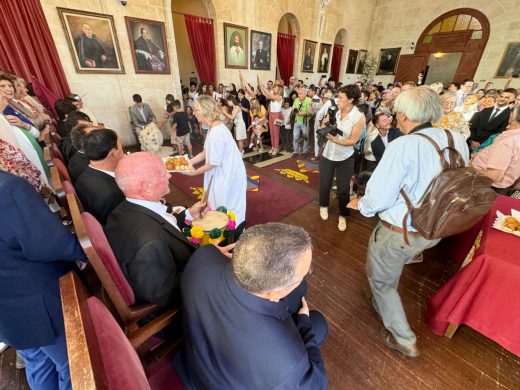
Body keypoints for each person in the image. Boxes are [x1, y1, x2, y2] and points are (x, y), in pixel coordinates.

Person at [347, 86, 469, 357]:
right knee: (397, 264)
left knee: (382, 282)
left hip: (401, 231)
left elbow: (378, 197)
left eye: (397, 113)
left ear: (404, 115)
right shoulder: (456, 138)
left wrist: (360, 205)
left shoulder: (404, 145)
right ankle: (384, 300)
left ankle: (404, 339)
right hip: (437, 226)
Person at [179, 223, 328, 389]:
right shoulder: (287, 366)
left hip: (197, 364)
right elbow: (317, 383)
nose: (305, 276)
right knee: (318, 323)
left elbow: (210, 254)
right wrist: (304, 322)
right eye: (305, 273)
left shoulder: (204, 255)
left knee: (300, 289)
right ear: (274, 294)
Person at [0, 171, 85, 390]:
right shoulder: (8, 187)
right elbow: (47, 243)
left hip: (8, 307)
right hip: (36, 299)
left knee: (37, 362)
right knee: (73, 366)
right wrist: (86, 250)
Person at [104, 152, 206, 307]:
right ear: (146, 187)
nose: (169, 176)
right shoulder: (150, 244)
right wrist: (209, 265)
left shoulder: (123, 210)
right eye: (163, 173)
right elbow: (168, 295)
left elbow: (162, 224)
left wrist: (189, 214)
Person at [188, 96, 247, 228]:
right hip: (223, 169)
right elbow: (205, 153)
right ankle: (223, 226)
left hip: (228, 172)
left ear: (205, 110)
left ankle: (232, 230)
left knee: (227, 203)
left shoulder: (216, 132)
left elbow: (213, 163)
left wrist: (193, 173)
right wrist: (187, 163)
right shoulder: (212, 127)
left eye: (196, 110)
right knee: (219, 200)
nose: (194, 113)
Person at [318, 85, 364, 232]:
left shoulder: (358, 117)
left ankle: (343, 215)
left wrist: (334, 140)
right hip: (328, 154)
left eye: (342, 98)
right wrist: (324, 123)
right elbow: (323, 125)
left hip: (345, 157)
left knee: (343, 190)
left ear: (351, 99)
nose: (338, 100)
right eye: (338, 97)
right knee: (325, 184)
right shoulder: (335, 110)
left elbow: (353, 141)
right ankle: (324, 206)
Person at [75, 129, 125, 225]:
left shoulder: (82, 177)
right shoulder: (113, 195)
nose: (123, 152)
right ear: (113, 153)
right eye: (121, 148)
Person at [471, 106, 520, 189]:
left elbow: (493, 176)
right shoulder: (514, 137)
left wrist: (471, 168)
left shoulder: (507, 142)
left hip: (485, 186)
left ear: (512, 116)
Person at [259, 78, 283, 154]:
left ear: (279, 90)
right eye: (274, 87)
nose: (274, 88)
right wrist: (261, 86)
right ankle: (273, 146)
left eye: (275, 88)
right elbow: (265, 94)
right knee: (272, 131)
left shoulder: (279, 97)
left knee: (276, 132)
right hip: (271, 114)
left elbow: (269, 94)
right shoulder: (272, 96)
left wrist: (264, 86)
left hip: (277, 115)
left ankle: (276, 147)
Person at [292, 87, 312, 157]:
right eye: (298, 93)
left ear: (305, 94)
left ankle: (304, 151)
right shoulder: (296, 100)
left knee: (306, 137)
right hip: (297, 121)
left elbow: (310, 113)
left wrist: (301, 113)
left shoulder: (309, 100)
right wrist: (295, 111)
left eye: (300, 93)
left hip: (305, 122)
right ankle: (295, 151)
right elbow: (293, 110)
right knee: (295, 137)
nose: (298, 95)